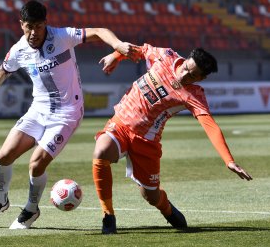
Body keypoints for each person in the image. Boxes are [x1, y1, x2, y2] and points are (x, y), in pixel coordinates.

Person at [0, 0, 136, 229]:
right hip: (38, 110)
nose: (33, 32)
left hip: (67, 113)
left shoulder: (62, 36)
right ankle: (1, 201)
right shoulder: (19, 50)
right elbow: (0, 75)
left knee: (36, 164)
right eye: (29, 26)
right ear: (21, 25)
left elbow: (99, 32)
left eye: (38, 26)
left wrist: (117, 45)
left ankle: (31, 210)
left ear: (45, 25)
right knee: (4, 156)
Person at [92, 44, 253, 234]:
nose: (184, 75)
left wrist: (229, 160)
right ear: (185, 59)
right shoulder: (164, 56)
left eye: (192, 75)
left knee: (151, 196)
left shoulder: (194, 95)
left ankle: (166, 207)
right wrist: (115, 55)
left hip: (147, 142)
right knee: (101, 151)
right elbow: (134, 49)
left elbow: (210, 125)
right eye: (186, 67)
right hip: (120, 124)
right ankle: (108, 215)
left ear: (201, 78)